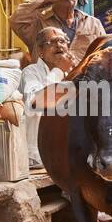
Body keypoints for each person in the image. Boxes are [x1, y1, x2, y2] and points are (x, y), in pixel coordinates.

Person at [9, 0, 105, 63]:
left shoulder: (93, 23)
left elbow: (105, 54)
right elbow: (16, 19)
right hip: (48, 79)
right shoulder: (37, 23)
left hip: (84, 79)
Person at [21, 26, 78, 169]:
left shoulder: (71, 74)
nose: (59, 45)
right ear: (40, 51)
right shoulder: (31, 72)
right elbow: (36, 102)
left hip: (66, 156)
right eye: (52, 42)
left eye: (62, 41)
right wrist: (58, 71)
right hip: (38, 158)